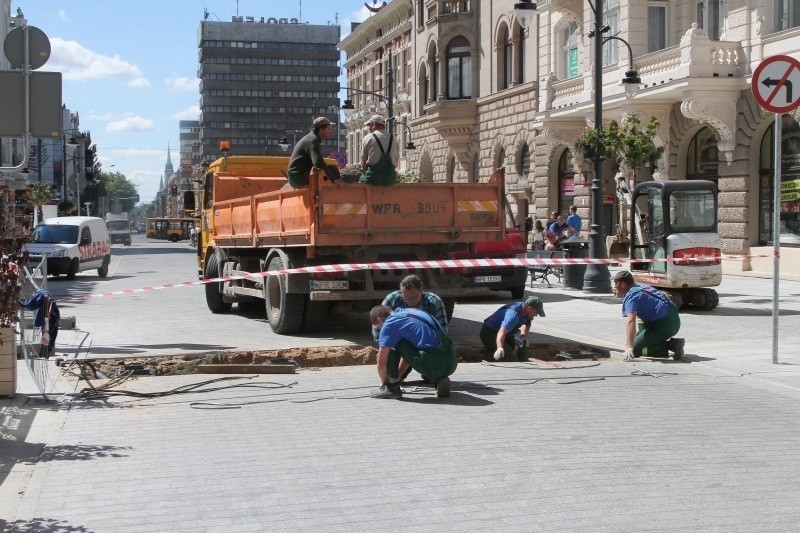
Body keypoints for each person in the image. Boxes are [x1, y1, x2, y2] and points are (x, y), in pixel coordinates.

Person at [369, 306, 458, 399]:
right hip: (451, 362)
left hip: (433, 363)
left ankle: (391, 389)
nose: (380, 329)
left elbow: (381, 363)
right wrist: (398, 376)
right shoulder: (410, 312)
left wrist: (384, 383)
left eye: (378, 327)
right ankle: (440, 377)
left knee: (391, 343)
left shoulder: (390, 324)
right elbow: (408, 353)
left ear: (379, 320)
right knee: (405, 341)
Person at [612, 270, 685, 361]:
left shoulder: (632, 297)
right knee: (639, 327)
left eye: (616, 283)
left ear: (623, 284)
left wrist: (629, 347)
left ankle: (672, 346)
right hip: (673, 318)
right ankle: (653, 340)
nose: (614, 286)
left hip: (665, 325)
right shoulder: (640, 287)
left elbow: (630, 322)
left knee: (635, 350)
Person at [373, 274, 448, 340]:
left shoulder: (434, 302)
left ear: (422, 291)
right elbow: (377, 327)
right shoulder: (392, 300)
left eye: (413, 297)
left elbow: (442, 331)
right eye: (405, 296)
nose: (409, 300)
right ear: (401, 291)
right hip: (397, 342)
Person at [480, 296, 545, 361]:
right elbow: (501, 332)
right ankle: (489, 356)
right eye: (536, 312)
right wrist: (500, 348)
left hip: (506, 334)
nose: (536, 315)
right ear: (530, 308)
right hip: (489, 334)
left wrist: (523, 337)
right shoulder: (513, 316)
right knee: (508, 356)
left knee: (523, 352)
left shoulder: (526, 311)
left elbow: (527, 323)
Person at [286, 116, 341, 188]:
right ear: (321, 130)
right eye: (329, 128)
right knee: (333, 170)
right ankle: (334, 193)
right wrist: (333, 179)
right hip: (298, 178)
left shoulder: (311, 137)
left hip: (295, 177)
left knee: (328, 170)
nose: (331, 130)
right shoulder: (313, 140)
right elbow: (318, 162)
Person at [360, 114, 399, 186]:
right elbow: (396, 160)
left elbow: (363, 159)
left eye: (369, 125)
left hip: (373, 178)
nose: (369, 128)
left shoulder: (368, 138)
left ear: (374, 125)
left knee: (361, 179)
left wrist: (364, 173)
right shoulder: (394, 138)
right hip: (390, 179)